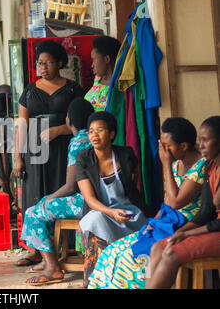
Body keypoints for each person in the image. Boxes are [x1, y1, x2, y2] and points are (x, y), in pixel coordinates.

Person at [88, 117, 207, 289]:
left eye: (168, 146)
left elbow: (175, 202)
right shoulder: (178, 163)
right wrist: (154, 222)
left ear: (183, 146)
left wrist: (165, 164)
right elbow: (167, 203)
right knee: (112, 252)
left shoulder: (201, 167)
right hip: (166, 223)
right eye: (162, 145)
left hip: (186, 225)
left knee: (132, 260)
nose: (163, 151)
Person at [13, 40, 85, 267]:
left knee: (60, 191)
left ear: (60, 63)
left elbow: (82, 121)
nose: (43, 67)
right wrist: (17, 157)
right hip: (34, 151)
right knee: (34, 194)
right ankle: (35, 250)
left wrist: (61, 130)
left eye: (48, 63)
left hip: (65, 148)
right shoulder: (29, 91)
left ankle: (65, 247)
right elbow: (21, 125)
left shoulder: (73, 89)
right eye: (39, 63)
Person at [19, 98, 94, 286]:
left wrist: (48, 200)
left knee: (34, 212)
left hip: (84, 201)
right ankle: (47, 259)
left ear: (69, 120)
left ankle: (52, 267)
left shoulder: (78, 142)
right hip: (99, 198)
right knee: (47, 204)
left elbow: (70, 186)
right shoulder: (94, 136)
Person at [145, 115, 220, 289]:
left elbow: (215, 222)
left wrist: (187, 234)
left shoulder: (204, 167)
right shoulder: (210, 168)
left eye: (205, 140)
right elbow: (206, 211)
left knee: (171, 253)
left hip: (216, 230)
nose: (200, 146)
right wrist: (180, 232)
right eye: (199, 140)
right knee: (157, 247)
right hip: (212, 227)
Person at [75, 111, 148, 288]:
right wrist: (111, 212)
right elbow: (90, 199)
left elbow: (133, 186)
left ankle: (131, 280)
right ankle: (92, 282)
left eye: (100, 130)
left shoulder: (126, 155)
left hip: (127, 211)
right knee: (96, 221)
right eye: (91, 131)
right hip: (99, 211)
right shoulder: (83, 158)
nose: (94, 135)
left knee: (141, 238)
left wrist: (120, 212)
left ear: (112, 134)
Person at [84, 36, 121, 112]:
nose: (92, 65)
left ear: (107, 59)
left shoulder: (118, 86)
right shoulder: (97, 79)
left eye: (94, 59)